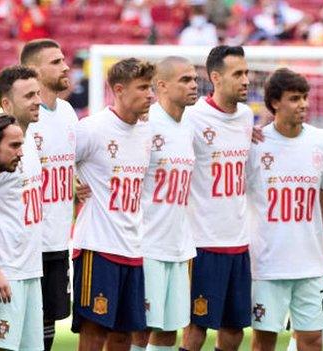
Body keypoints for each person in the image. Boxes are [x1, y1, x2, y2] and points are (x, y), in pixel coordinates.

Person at [246, 68, 323, 351]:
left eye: (304, 97)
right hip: (266, 263)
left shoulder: (321, 142)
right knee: (264, 340)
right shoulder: (255, 145)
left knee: (312, 339)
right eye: (294, 98)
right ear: (275, 102)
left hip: (311, 262)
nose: (302, 104)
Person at [71, 58, 155, 351]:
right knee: (94, 333)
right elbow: (55, 165)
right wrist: (71, 183)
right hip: (98, 246)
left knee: (124, 336)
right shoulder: (92, 129)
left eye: (151, 87)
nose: (150, 95)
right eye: (142, 88)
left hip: (133, 247)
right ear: (119, 89)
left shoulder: (147, 133)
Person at [180, 45, 253, 351]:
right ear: (216, 78)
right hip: (204, 243)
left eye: (247, 72)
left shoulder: (247, 116)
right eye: (238, 74)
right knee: (197, 330)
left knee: (235, 330)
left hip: (239, 242)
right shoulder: (193, 119)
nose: (246, 80)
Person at [130, 56, 199, 351]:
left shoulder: (189, 126)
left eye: (195, 79)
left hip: (179, 244)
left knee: (170, 329)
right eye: (185, 80)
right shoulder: (146, 125)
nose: (194, 85)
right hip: (147, 244)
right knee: (139, 329)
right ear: (161, 86)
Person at [0, 65, 44, 351]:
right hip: (5, 270)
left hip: (29, 268)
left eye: (38, 92)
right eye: (29, 95)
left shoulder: (26, 143)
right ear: (6, 102)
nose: (38, 100)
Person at [20, 38, 78, 351]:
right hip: (24, 244)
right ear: (33, 70)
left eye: (63, 59)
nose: (65, 66)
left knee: (48, 326)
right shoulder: (20, 120)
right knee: (14, 328)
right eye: (55, 61)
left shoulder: (68, 112)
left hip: (57, 240)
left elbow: (77, 159)